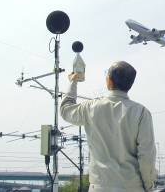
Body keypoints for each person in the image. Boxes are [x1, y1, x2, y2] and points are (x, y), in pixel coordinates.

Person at [60, 61, 157, 192]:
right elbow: (147, 157)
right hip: (132, 187)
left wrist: (73, 82)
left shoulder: (91, 107)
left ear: (109, 81)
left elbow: (66, 110)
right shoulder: (141, 113)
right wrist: (148, 187)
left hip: (99, 187)